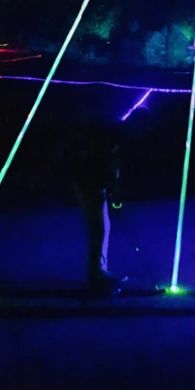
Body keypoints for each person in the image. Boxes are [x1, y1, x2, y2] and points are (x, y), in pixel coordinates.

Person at [72, 122, 128, 298]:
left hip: (95, 185)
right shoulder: (115, 135)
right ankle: (96, 278)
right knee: (98, 230)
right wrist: (114, 188)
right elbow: (109, 165)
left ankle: (101, 272)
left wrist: (113, 188)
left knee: (103, 228)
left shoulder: (116, 134)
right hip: (90, 184)